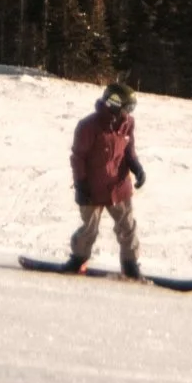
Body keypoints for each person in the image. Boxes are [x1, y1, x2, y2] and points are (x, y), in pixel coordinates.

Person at [67, 80, 147, 278]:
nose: (129, 113)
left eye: (132, 108)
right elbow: (78, 157)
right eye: (127, 107)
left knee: (127, 227)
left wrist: (136, 166)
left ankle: (130, 265)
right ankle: (78, 260)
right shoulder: (88, 126)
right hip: (93, 187)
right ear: (114, 103)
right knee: (89, 229)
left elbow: (128, 149)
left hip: (118, 186)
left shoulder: (128, 123)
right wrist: (80, 185)